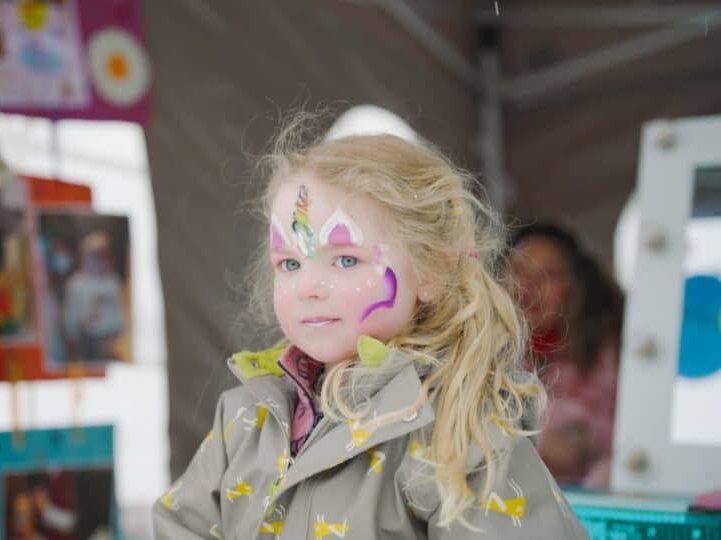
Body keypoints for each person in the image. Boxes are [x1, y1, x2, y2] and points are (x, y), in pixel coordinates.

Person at [152, 125, 588, 538]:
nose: (306, 286)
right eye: (289, 263)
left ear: (431, 269)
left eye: (345, 260)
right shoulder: (246, 415)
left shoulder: (458, 426)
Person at [508, 222, 624, 489]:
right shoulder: (483, 351)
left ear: (576, 287)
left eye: (546, 274)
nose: (527, 285)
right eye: (516, 270)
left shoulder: (609, 356)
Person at [62, 231, 124, 362]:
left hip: (107, 335)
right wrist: (71, 335)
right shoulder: (76, 284)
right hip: (84, 334)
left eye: (102, 259)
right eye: (92, 258)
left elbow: (118, 309)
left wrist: (117, 331)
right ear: (83, 259)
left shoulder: (112, 282)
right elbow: (71, 311)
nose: (97, 264)